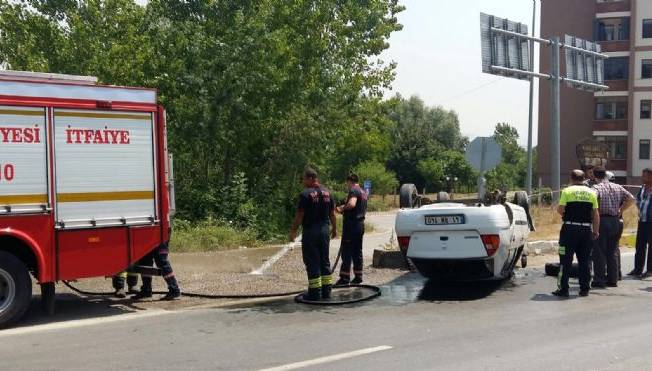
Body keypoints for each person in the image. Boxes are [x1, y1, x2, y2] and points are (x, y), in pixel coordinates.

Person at [290, 168, 338, 301]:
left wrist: (293, 230)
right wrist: (334, 229)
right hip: (324, 232)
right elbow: (332, 214)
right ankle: (327, 292)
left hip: (311, 232)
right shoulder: (328, 193)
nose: (303, 181)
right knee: (324, 261)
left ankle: (315, 293)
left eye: (304, 179)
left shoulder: (305, 194)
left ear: (310, 178)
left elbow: (300, 215)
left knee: (312, 262)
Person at [553, 170, 600, 298]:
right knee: (584, 260)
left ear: (571, 178)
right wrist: (595, 230)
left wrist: (567, 215)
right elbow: (595, 214)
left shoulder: (567, 191)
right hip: (585, 231)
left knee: (565, 260)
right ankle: (584, 288)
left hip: (569, 229)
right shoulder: (591, 192)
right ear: (583, 178)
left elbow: (560, 209)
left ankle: (563, 288)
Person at [590, 166, 634, 288]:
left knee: (599, 251)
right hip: (615, 220)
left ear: (594, 176)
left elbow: (592, 198)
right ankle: (613, 279)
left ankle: (599, 280)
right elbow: (631, 198)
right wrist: (620, 210)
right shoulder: (617, 186)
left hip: (602, 220)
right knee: (613, 250)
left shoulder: (596, 187)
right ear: (605, 175)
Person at [335, 174, 368, 285]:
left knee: (347, 251)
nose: (347, 185)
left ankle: (344, 278)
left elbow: (352, 204)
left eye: (347, 183)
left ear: (350, 181)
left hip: (351, 226)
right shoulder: (363, 192)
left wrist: (341, 208)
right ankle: (358, 276)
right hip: (360, 224)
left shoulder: (354, 190)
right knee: (357, 251)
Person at [630, 168, 652, 279]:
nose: (642, 177)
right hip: (642, 221)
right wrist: (639, 209)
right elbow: (637, 200)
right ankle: (637, 269)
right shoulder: (642, 188)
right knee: (639, 246)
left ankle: (649, 270)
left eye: (645, 176)